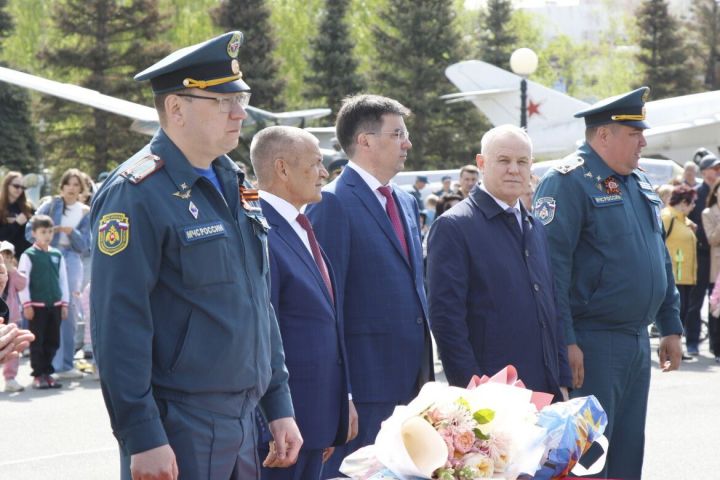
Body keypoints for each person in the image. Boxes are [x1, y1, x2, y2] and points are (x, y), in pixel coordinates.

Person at [90, 31, 301, 480]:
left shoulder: (234, 182)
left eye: (240, 98)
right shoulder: (137, 194)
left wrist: (278, 403)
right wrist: (141, 435)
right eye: (222, 102)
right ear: (177, 109)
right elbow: (118, 323)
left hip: (243, 421)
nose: (240, 112)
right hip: (178, 424)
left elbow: (256, 301)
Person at [533, 87, 683, 479]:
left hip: (636, 341)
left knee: (628, 451)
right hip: (593, 342)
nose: (644, 141)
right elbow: (552, 272)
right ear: (604, 136)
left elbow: (659, 259)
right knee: (589, 460)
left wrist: (671, 325)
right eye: (635, 134)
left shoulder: (638, 181)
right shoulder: (566, 182)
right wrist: (566, 339)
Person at [306, 94, 432, 478]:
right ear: (365, 141)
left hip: (414, 383)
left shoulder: (406, 200)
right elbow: (326, 307)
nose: (407, 143)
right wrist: (341, 394)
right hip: (365, 387)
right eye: (397, 134)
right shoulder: (332, 203)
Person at [427, 125, 571, 400]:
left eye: (522, 162)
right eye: (504, 160)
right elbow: (447, 320)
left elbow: (552, 309)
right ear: (482, 163)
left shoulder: (535, 226)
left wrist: (561, 380)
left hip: (543, 387)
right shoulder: (454, 227)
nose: (514, 170)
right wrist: (471, 394)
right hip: (492, 396)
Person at [250, 126, 357, 480]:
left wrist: (335, 409)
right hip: (283, 431)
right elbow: (263, 334)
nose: (325, 172)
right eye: (316, 163)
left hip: (313, 419)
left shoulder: (298, 224)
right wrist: (275, 422)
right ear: (282, 169)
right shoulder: (260, 230)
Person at [29, 168, 92, 380]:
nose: (72, 188)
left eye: (76, 184)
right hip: (49, 256)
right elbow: (30, 229)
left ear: (81, 188)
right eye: (68, 184)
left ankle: (66, 363)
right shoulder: (51, 205)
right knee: (48, 307)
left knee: (70, 308)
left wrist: (70, 232)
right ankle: (49, 364)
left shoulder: (85, 211)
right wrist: (47, 234)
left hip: (72, 259)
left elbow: (85, 245)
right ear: (62, 186)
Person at [18, 214, 69, 390]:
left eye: (49, 231)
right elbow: (23, 282)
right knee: (37, 341)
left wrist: (64, 303)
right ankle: (38, 375)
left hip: (55, 305)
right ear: (34, 233)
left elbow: (63, 280)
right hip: (36, 306)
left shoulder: (57, 254)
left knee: (53, 340)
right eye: (42, 232)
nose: (47, 235)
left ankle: (48, 373)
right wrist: (27, 304)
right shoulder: (28, 255)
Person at [685, 153, 720, 355]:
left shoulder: (717, 192)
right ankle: (692, 342)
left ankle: (715, 345)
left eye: (718, 170)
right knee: (695, 301)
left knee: (715, 301)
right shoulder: (695, 193)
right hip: (700, 255)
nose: (715, 173)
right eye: (712, 169)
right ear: (703, 171)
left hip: (716, 256)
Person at [661, 185, 698, 360]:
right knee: (674, 313)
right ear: (683, 202)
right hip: (674, 274)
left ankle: (676, 349)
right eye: (692, 203)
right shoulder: (667, 217)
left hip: (685, 275)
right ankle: (668, 348)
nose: (693, 207)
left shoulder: (683, 220)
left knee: (681, 313)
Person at [1, 241, 28, 392]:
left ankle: (10, 378)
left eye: (8, 256)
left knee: (13, 349)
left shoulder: (14, 273)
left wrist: (13, 271)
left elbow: (23, 284)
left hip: (12, 318)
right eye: (2, 255)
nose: (5, 259)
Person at [702, 179, 720, 362]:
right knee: (716, 309)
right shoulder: (708, 213)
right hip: (717, 268)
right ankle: (716, 347)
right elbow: (712, 239)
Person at [0, 171, 34, 259]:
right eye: (16, 186)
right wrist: (16, 224)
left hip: (24, 257)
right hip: (4, 257)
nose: (19, 189)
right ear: (7, 185)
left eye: (22, 187)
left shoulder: (28, 208)